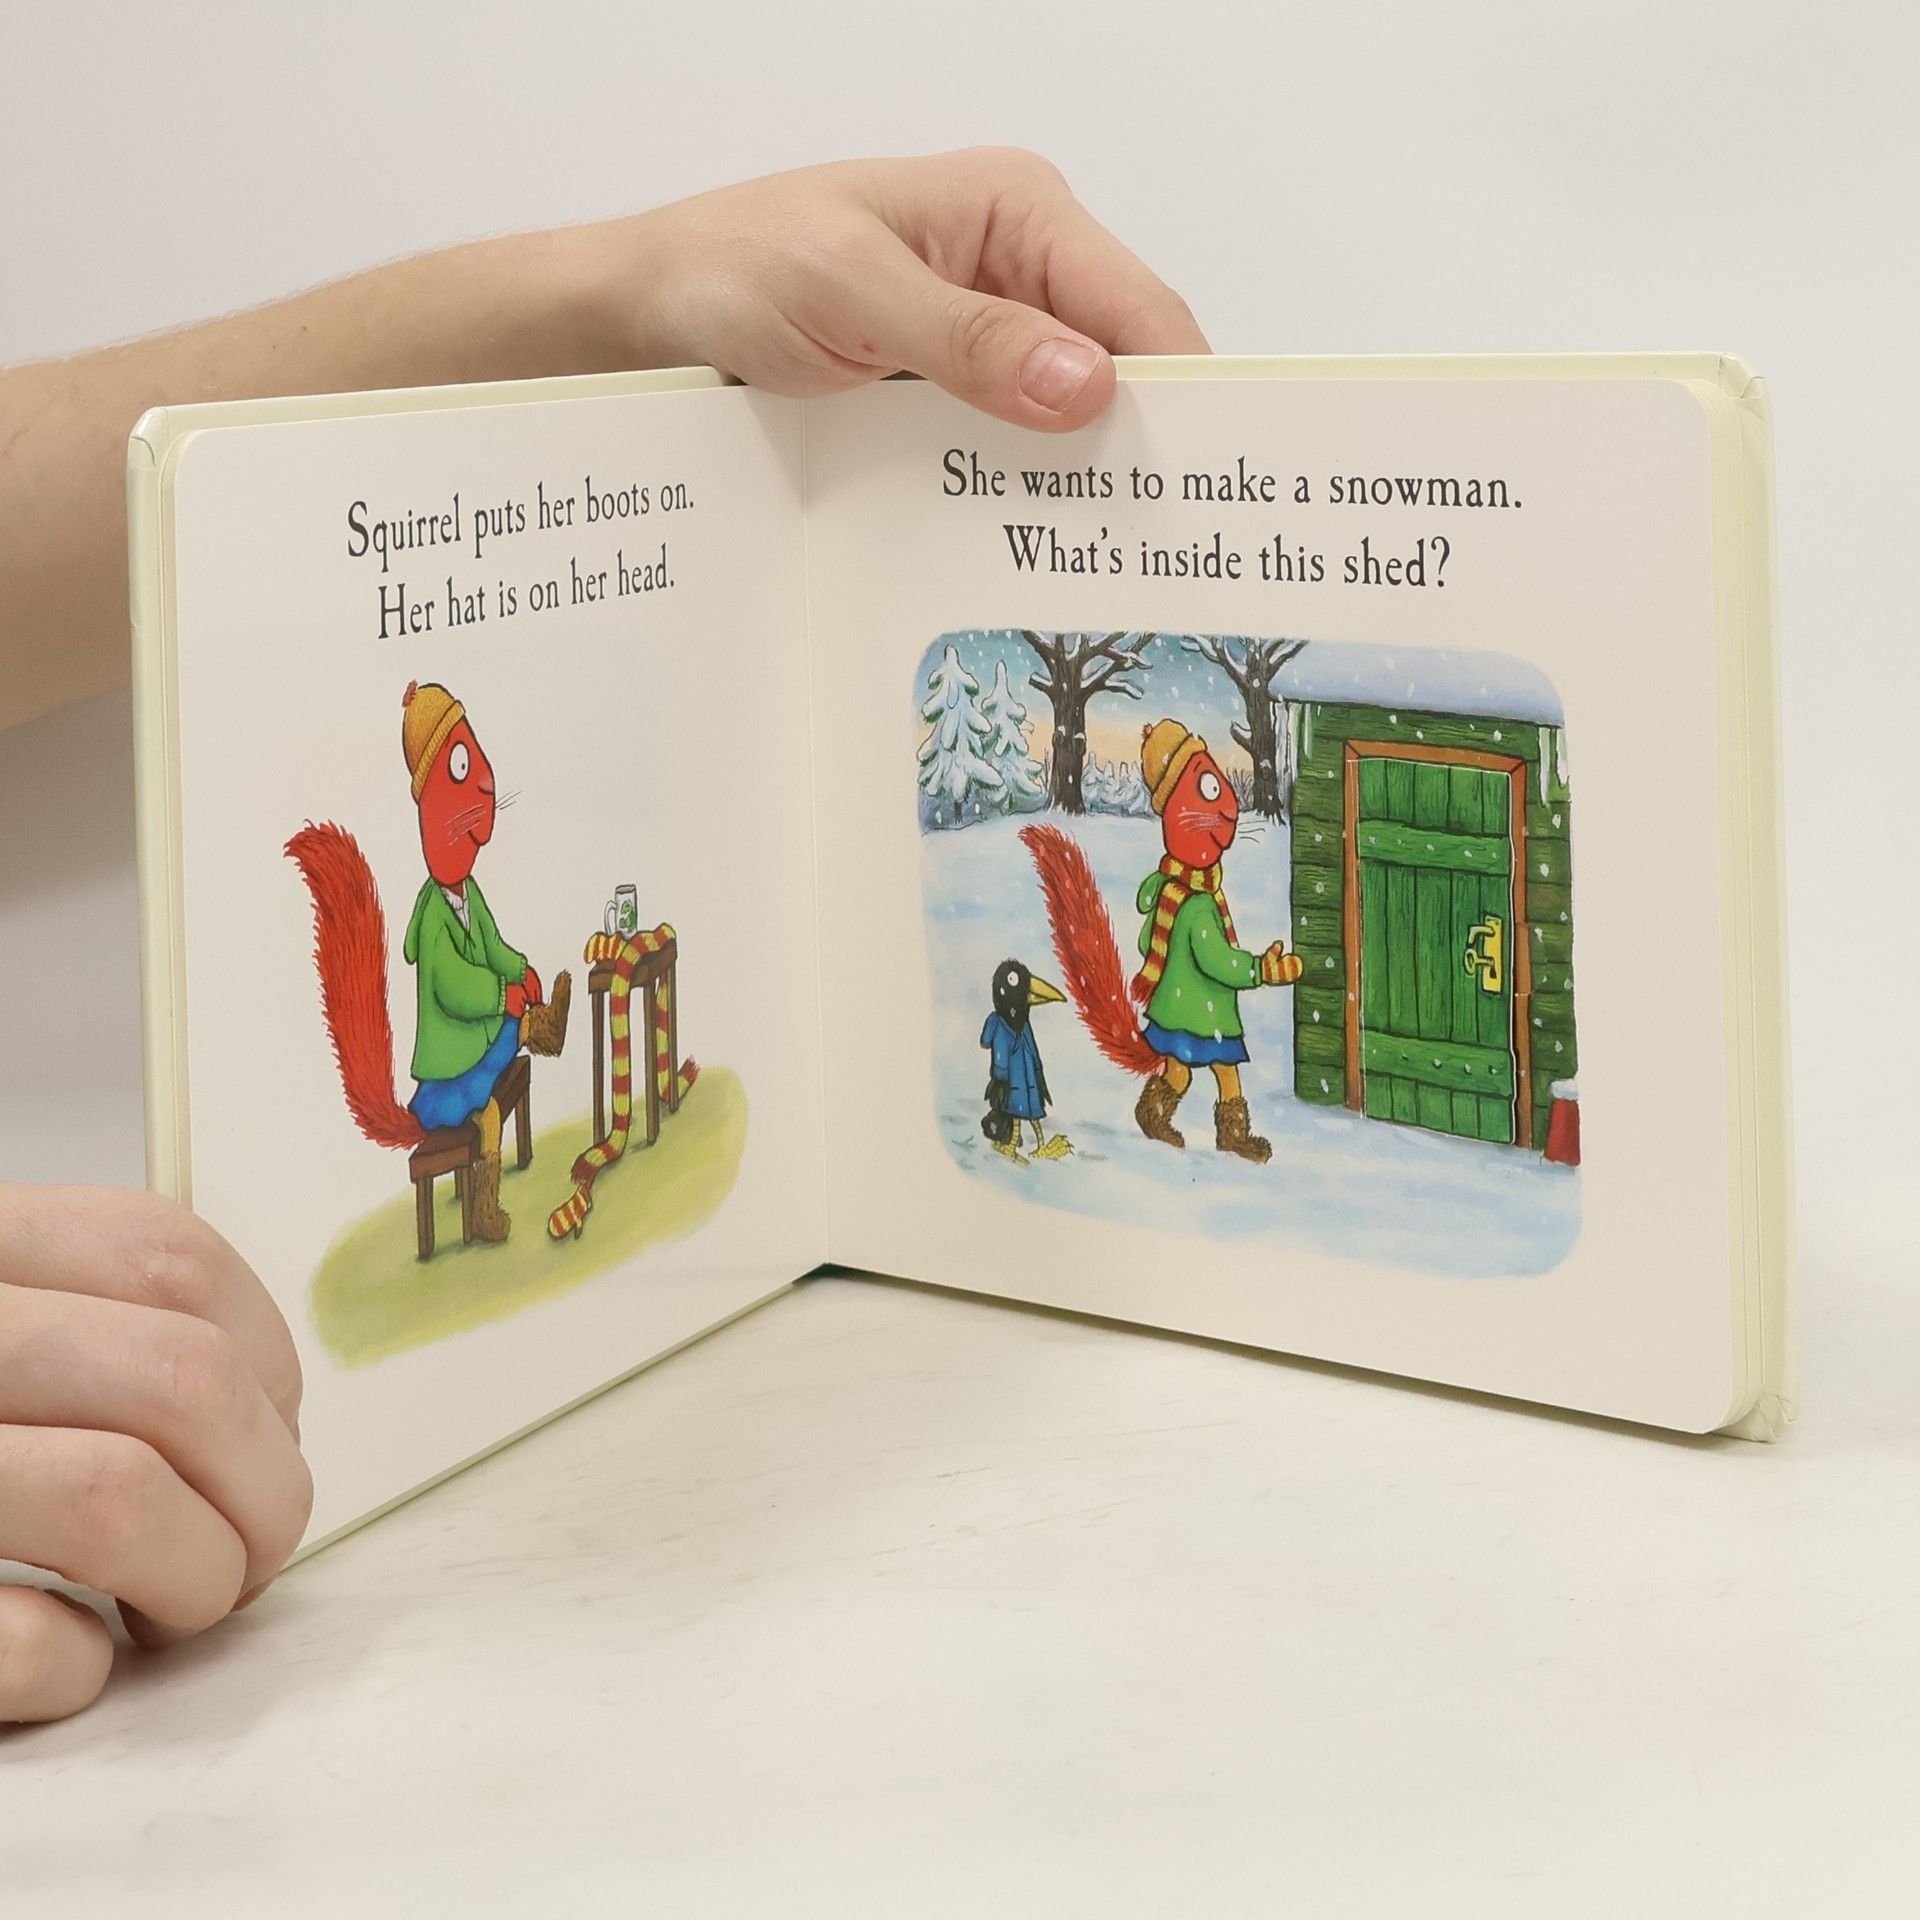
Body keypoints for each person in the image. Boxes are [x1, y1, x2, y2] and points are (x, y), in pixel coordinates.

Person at [0, 148, 1209, 1721]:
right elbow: (446, 971)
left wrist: (624, 291)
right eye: (461, 779)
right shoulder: (436, 907)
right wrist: (502, 985)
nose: (482, 797)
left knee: (535, 1066)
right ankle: (478, 1195)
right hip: (425, 1177)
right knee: (494, 1095)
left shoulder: (466, 892)